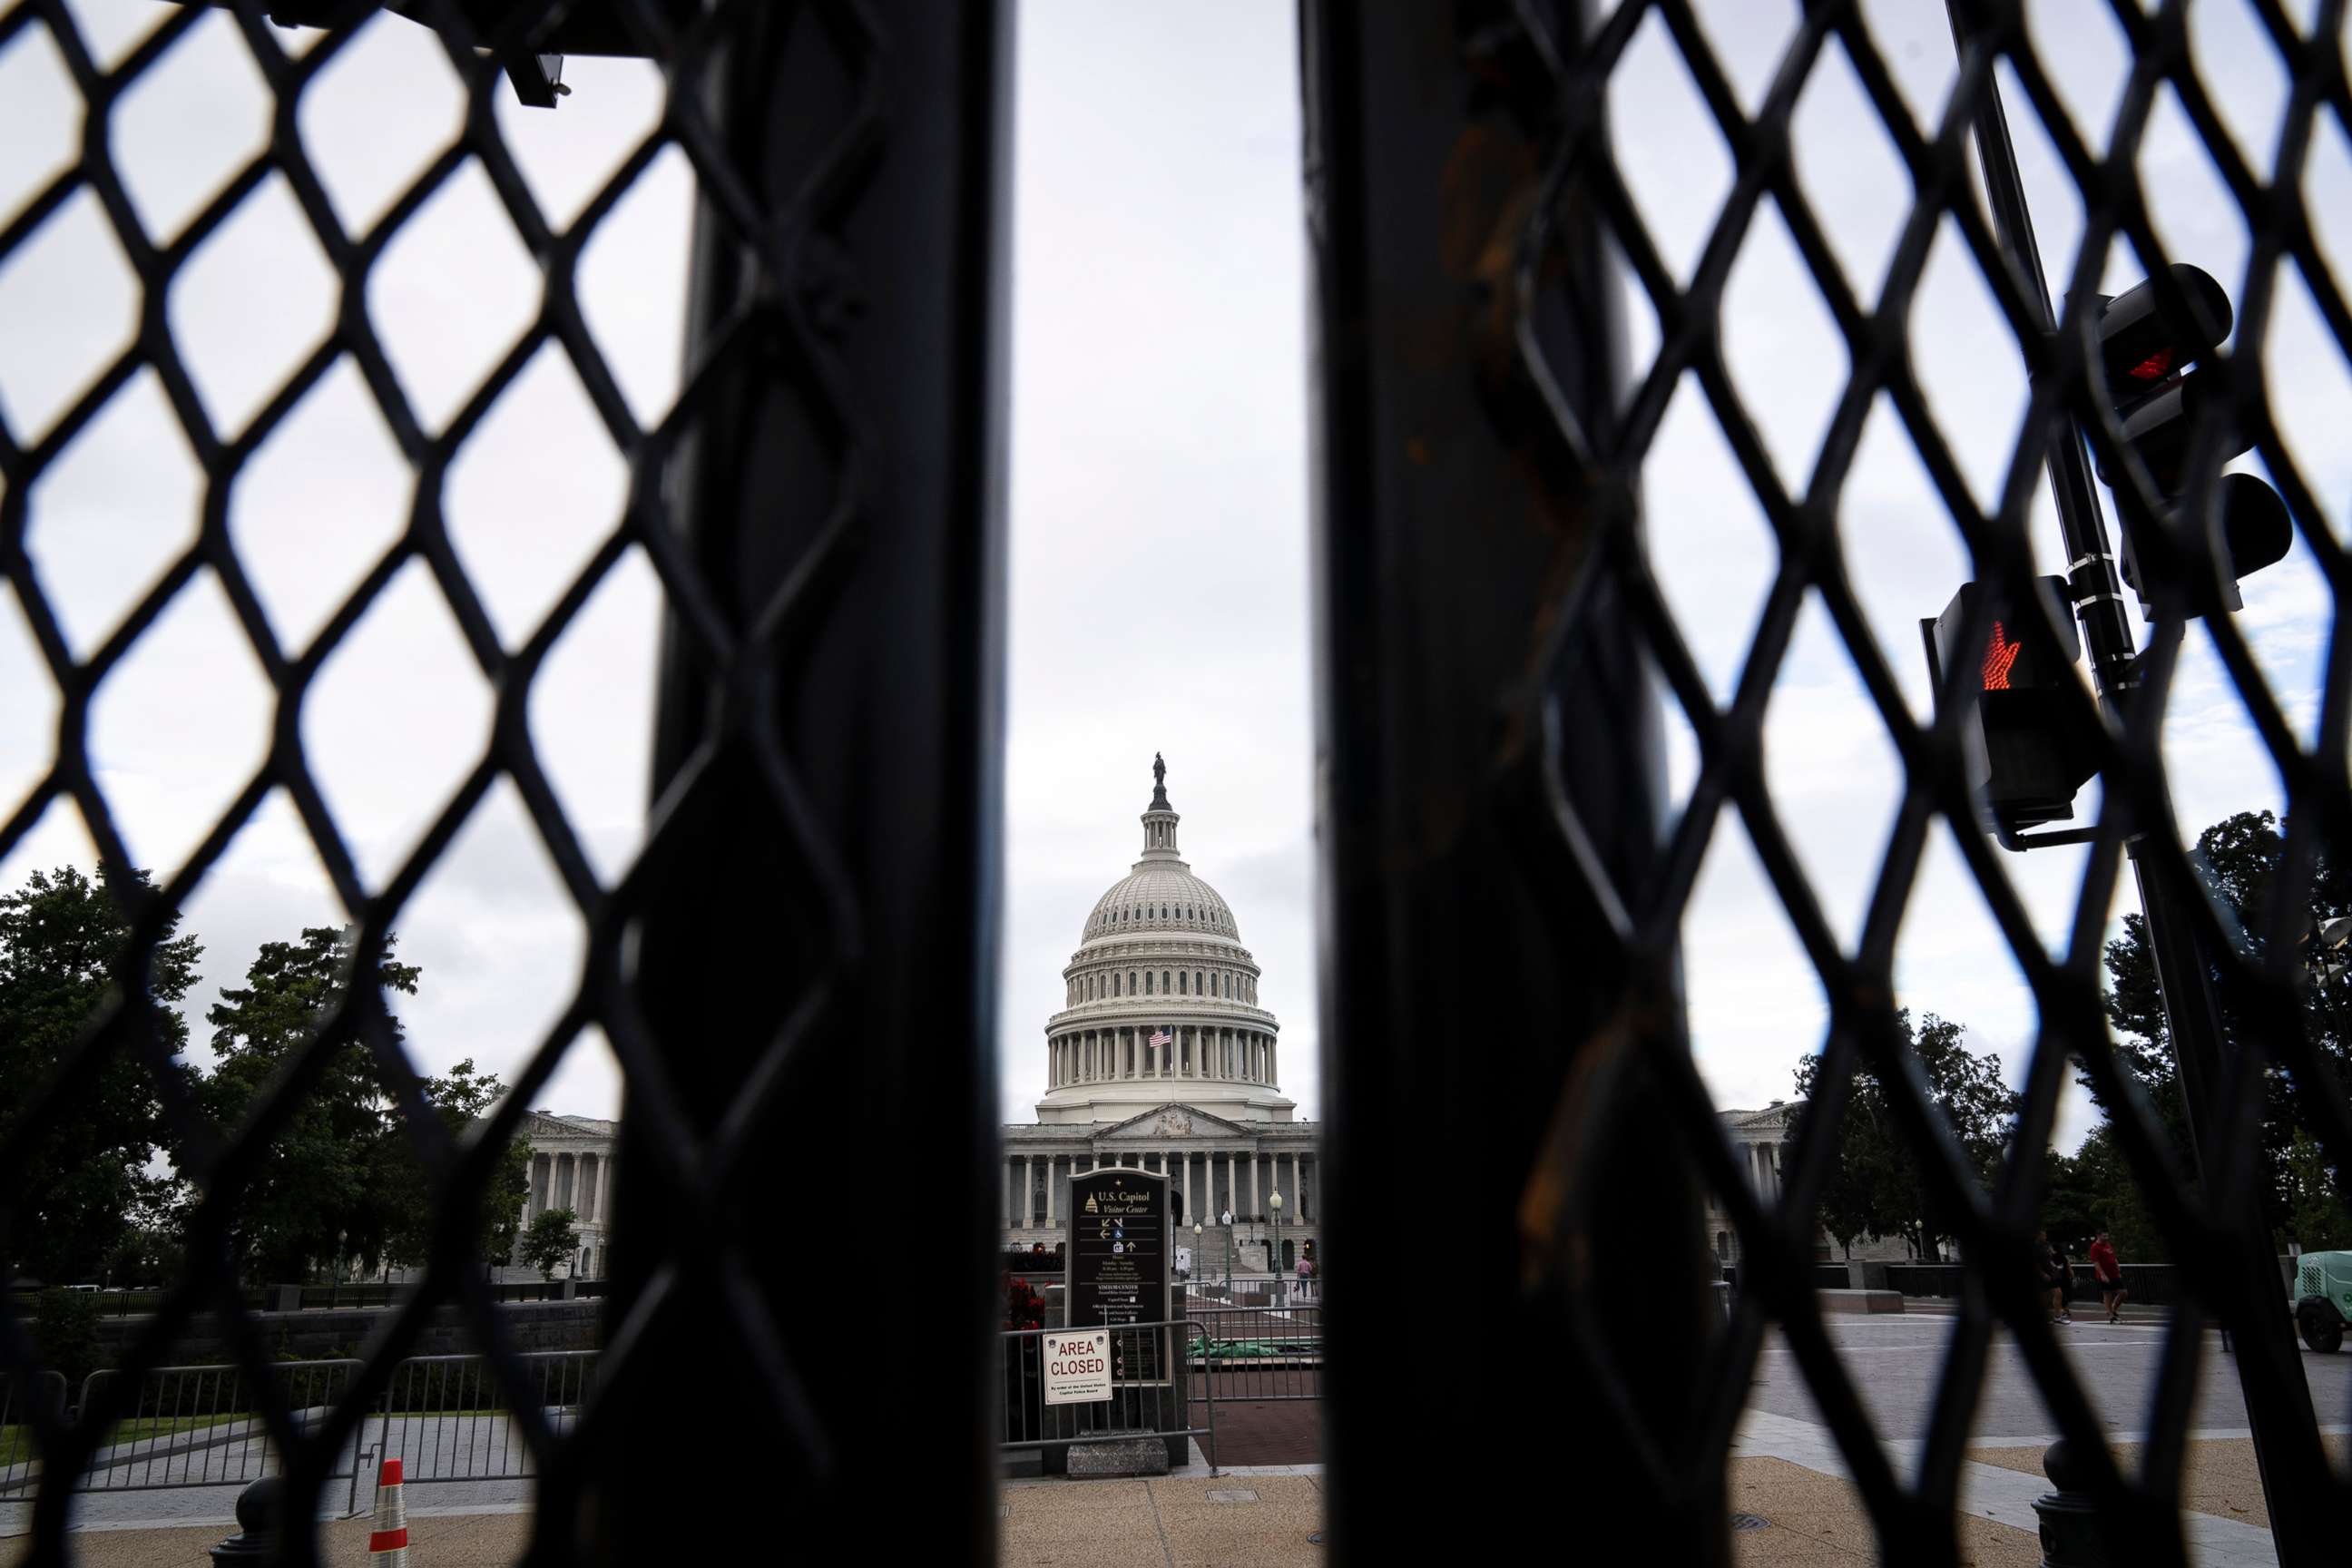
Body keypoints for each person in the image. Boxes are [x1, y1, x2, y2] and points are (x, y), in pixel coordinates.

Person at [2089, 1230, 2126, 1323]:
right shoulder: (2095, 1247)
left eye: (2107, 1236)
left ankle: (2113, 1309)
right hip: (2105, 1275)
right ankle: (2111, 1315)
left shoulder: (2108, 1244)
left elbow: (2113, 1257)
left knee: (2123, 1293)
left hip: (2114, 1274)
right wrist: (2102, 1274)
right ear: (2098, 1236)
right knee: (2107, 1294)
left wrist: (2117, 1266)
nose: (2106, 1238)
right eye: (2104, 1236)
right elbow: (2096, 1262)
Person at [2041, 1231, 2073, 1324]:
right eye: (2043, 1235)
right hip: (2042, 1275)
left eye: (2045, 1235)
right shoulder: (2035, 1247)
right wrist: (2042, 1273)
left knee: (2058, 1293)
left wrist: (2054, 1268)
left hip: (2051, 1274)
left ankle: (2058, 1317)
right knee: (2043, 1297)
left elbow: (2050, 1258)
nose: (2045, 1237)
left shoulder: (2046, 1245)